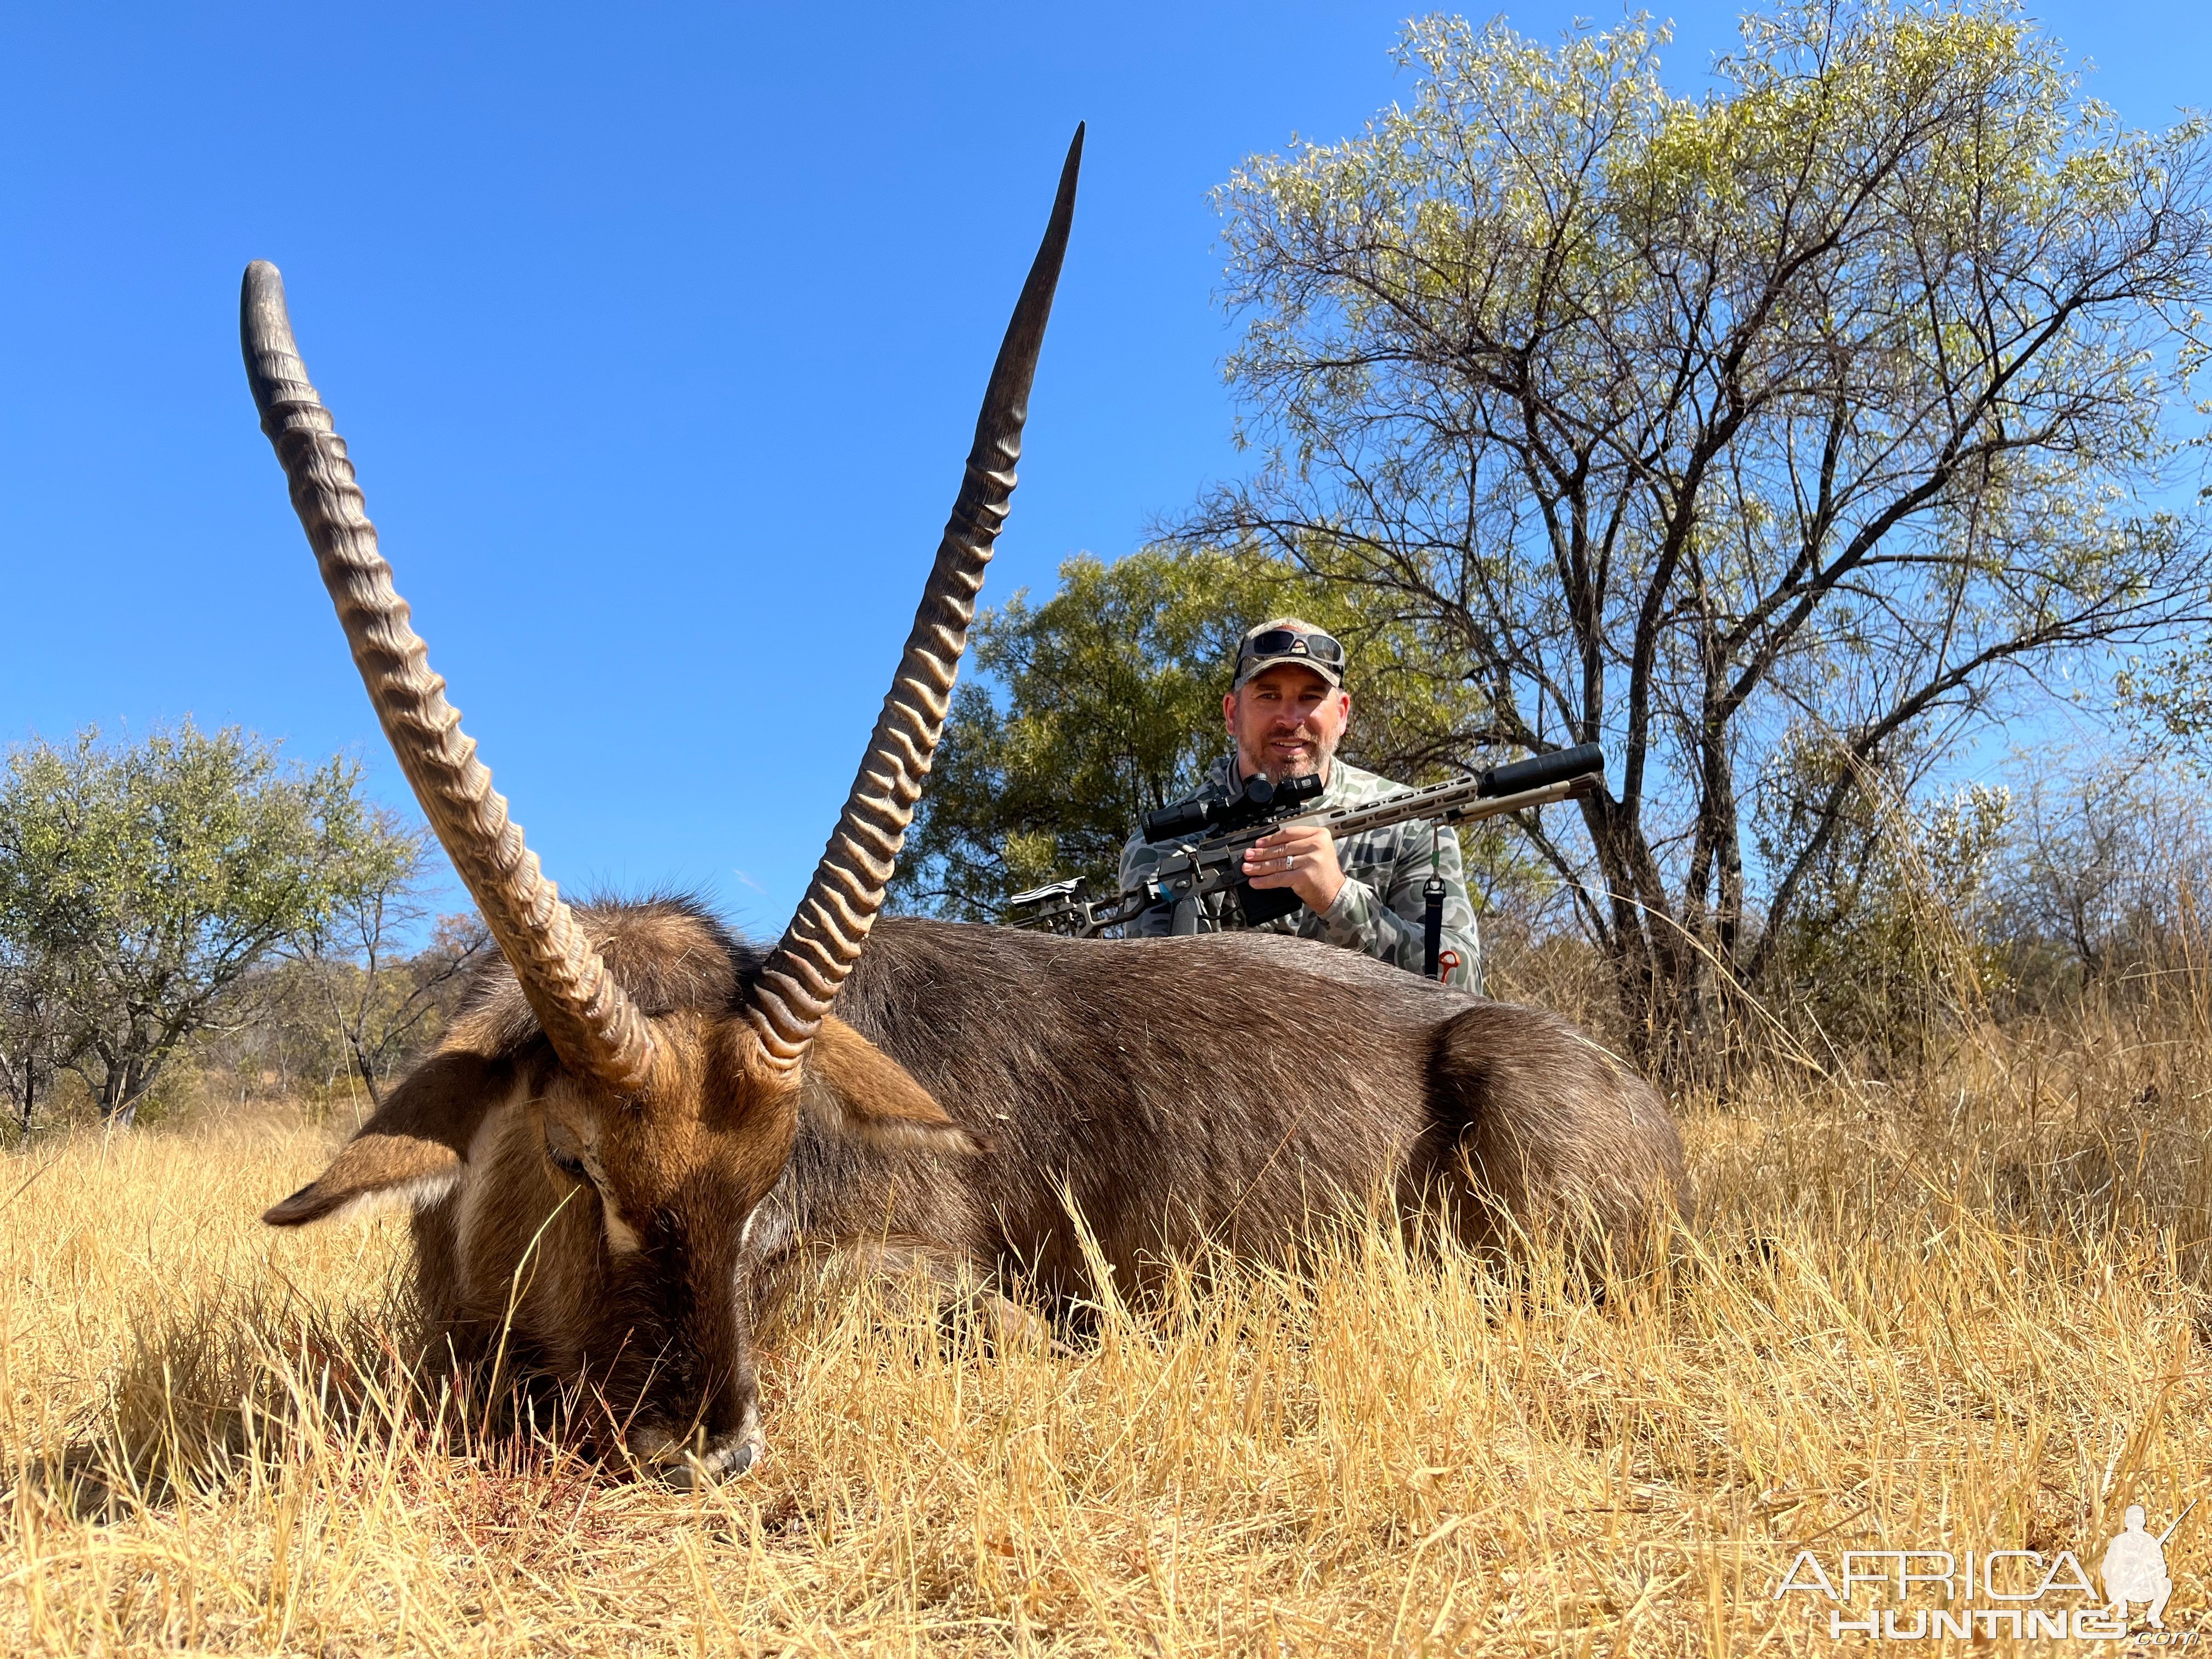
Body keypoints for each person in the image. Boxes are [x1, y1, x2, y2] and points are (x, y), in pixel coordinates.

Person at [1118, 617, 1482, 990]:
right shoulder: (1159, 848)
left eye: (1310, 697)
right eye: (1268, 695)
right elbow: (1151, 1007)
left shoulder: (1408, 825)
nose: (1290, 719)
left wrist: (1339, 898)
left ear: (1341, 714)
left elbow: (1463, 983)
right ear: (1232, 713)